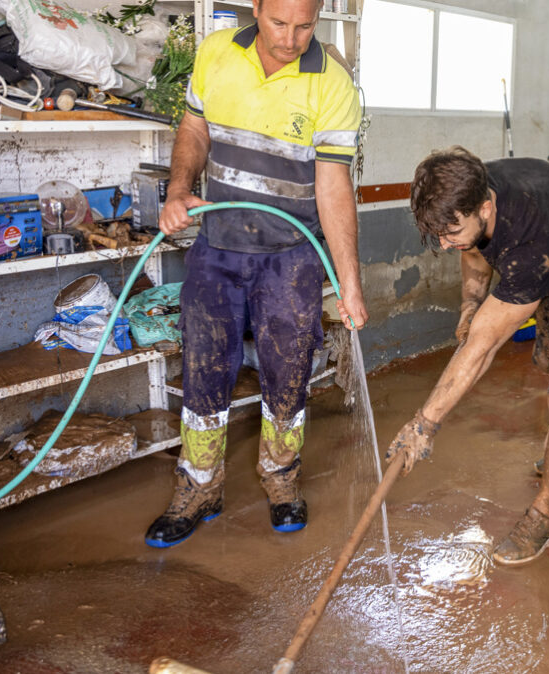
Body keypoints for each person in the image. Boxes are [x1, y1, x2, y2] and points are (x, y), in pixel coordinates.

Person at [144, 0, 367, 548]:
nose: (291, 39)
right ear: (257, 8)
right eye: (278, 23)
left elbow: (333, 187)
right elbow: (194, 129)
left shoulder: (334, 85)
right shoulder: (216, 53)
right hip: (216, 247)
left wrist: (349, 283)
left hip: (290, 255)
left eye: (305, 25)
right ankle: (199, 487)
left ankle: (281, 479)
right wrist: (177, 192)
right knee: (203, 370)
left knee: (288, 371)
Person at [387, 147, 549, 566]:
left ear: (485, 207)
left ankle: (546, 514)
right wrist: (471, 304)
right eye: (439, 236)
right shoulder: (472, 192)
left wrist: (425, 423)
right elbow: (473, 250)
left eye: (451, 232)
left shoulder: (532, 236)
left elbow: (483, 347)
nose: (446, 244)